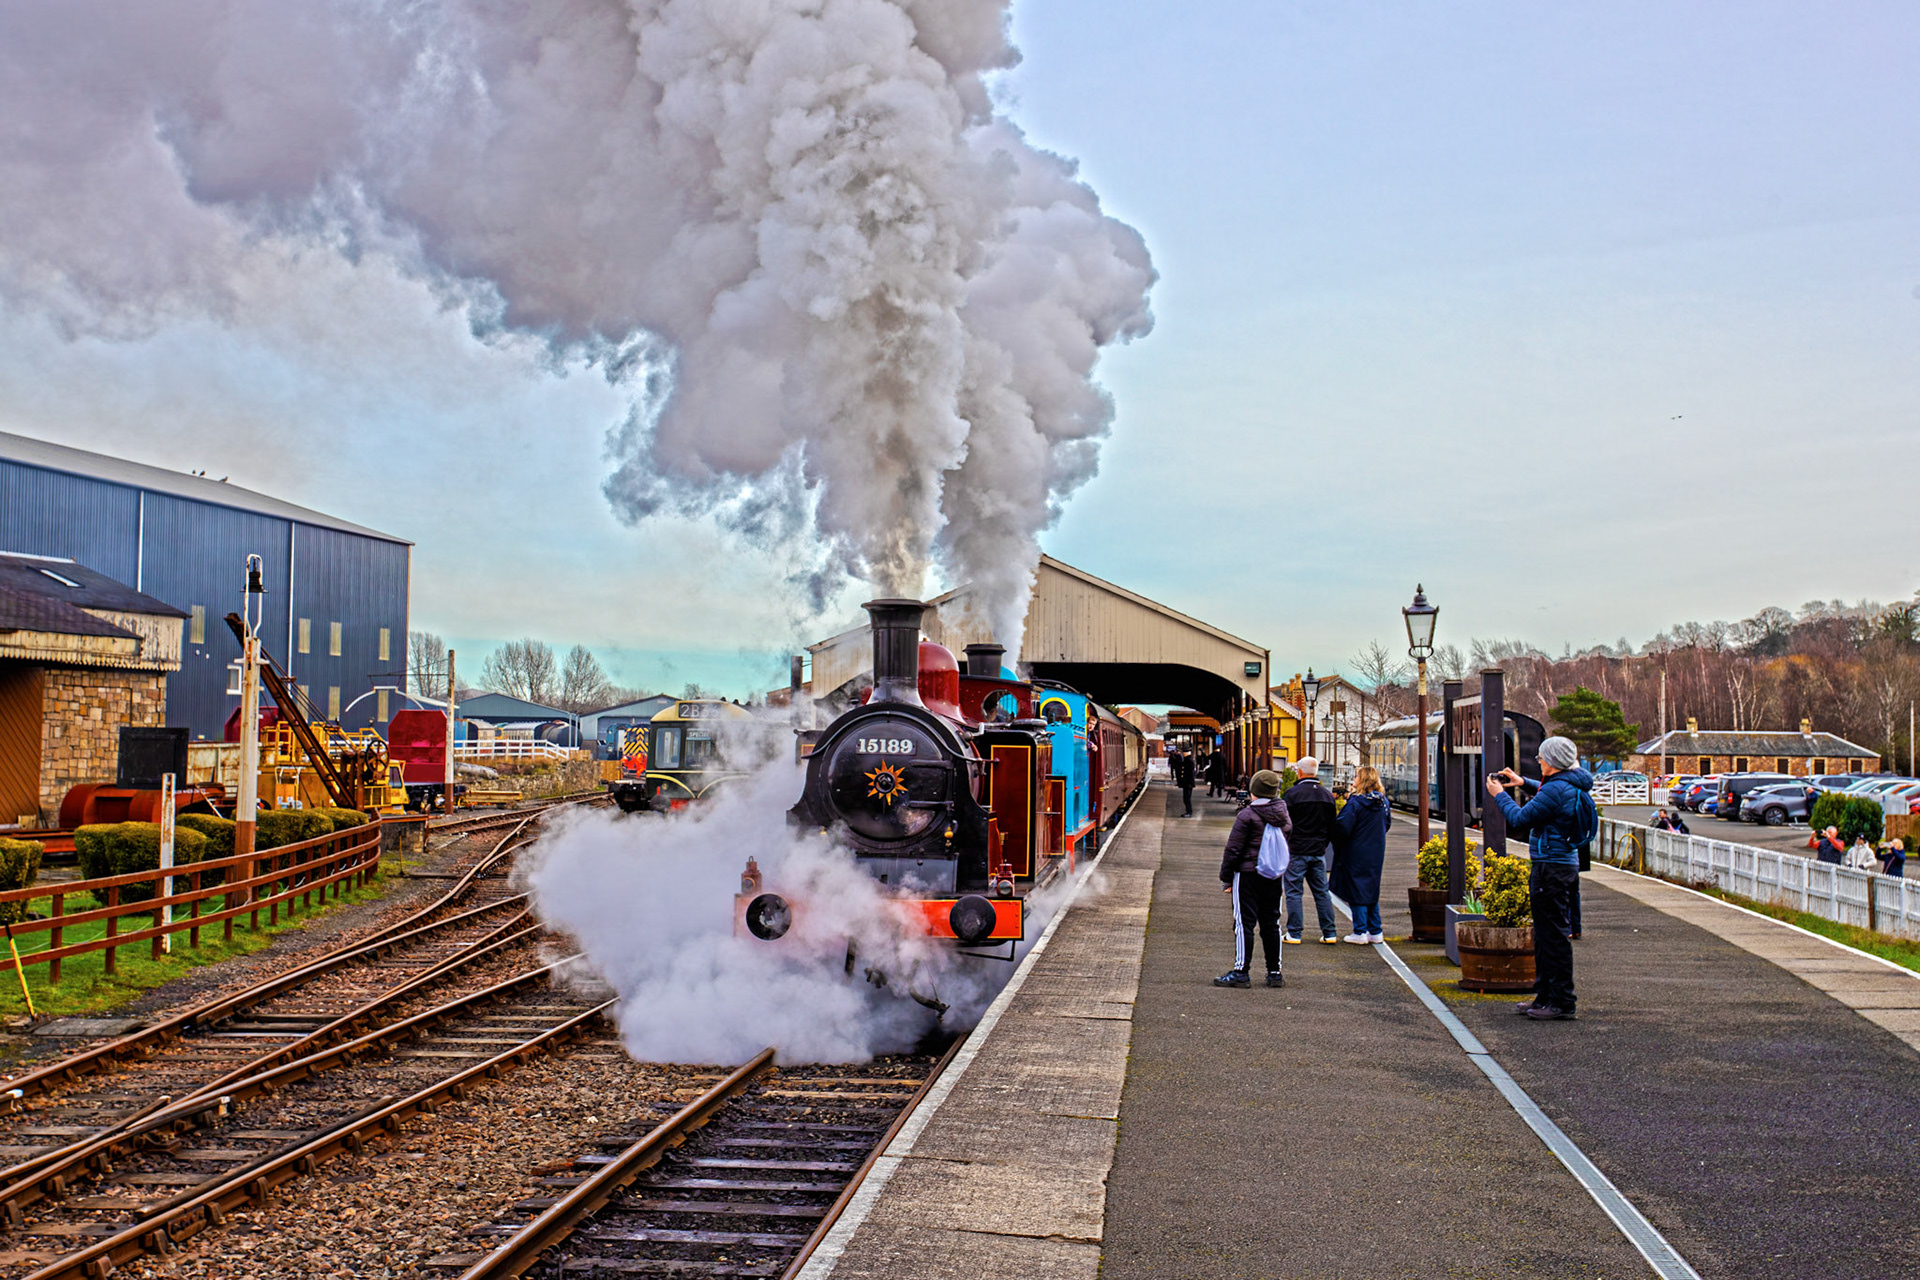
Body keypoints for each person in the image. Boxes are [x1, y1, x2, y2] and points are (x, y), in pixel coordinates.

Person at [1486, 735, 1595, 1021]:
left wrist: (1499, 794)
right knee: (1548, 935)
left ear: (1553, 762)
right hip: (1563, 865)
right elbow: (1549, 795)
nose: (1539, 761)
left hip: (1550, 868)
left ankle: (1561, 1002)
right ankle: (1546, 996)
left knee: (1553, 937)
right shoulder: (1571, 782)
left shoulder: (1556, 789)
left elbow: (1521, 818)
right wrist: (1523, 783)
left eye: (1542, 758)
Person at [1215, 770, 1293, 988]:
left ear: (1254, 791)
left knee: (1243, 923)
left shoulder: (1247, 815)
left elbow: (1233, 849)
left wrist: (1226, 877)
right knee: (1272, 923)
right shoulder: (1283, 815)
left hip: (1247, 875)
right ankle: (1274, 972)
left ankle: (1241, 971)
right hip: (1274, 875)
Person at [1280, 757, 1342, 944]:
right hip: (1318, 851)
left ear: (1299, 771)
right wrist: (1323, 844)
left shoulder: (1291, 795)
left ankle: (1294, 933)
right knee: (1322, 892)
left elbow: (1284, 823)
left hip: (1297, 849)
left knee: (1294, 892)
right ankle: (1329, 933)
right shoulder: (1326, 796)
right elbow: (1333, 826)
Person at [1332, 764, 1391, 944]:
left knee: (1356, 888)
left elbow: (1343, 827)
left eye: (1357, 777)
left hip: (1355, 850)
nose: (1354, 780)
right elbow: (1386, 825)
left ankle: (1360, 931)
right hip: (1376, 850)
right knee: (1371, 888)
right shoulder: (1383, 802)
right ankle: (1375, 930)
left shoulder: (1356, 802)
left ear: (1362, 780)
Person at [1170, 748, 1196, 817]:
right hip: (1187, 783)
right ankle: (1188, 811)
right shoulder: (1187, 760)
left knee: (1187, 798)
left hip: (1188, 783)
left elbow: (1190, 774)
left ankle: (1189, 812)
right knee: (1186, 798)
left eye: (1184, 753)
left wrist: (1189, 783)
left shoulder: (1189, 761)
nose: (1183, 754)